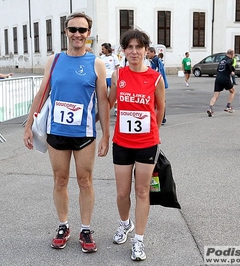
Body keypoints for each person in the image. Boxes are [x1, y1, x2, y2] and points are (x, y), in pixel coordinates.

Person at [23, 12, 110, 253]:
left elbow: (103, 101)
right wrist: (28, 125)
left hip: (84, 134)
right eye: (73, 29)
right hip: (57, 131)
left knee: (85, 181)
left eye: (82, 30)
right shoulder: (54, 60)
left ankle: (85, 228)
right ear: (66, 32)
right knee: (60, 180)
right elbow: (42, 94)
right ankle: (63, 225)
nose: (77, 34)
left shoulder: (96, 63)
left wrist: (106, 135)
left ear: (88, 34)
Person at [108, 29, 165, 261]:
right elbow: (109, 101)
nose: (133, 51)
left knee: (142, 191)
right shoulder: (117, 75)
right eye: (129, 47)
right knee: (122, 193)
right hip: (122, 142)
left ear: (145, 50)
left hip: (146, 144)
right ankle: (125, 223)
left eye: (138, 47)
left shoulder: (155, 78)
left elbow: (160, 107)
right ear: (124, 50)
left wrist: (154, 133)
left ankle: (139, 240)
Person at [207, 49, 236, 117]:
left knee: (215, 96)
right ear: (232, 54)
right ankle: (228, 106)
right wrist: (231, 71)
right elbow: (228, 64)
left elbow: (218, 69)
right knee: (233, 91)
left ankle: (210, 108)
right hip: (225, 79)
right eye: (234, 54)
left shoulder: (222, 60)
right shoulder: (230, 60)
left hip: (218, 78)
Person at [146, 46, 168, 124]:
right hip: (156, 83)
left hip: (158, 83)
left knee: (160, 100)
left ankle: (162, 118)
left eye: (148, 53)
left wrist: (160, 83)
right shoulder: (153, 60)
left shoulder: (156, 60)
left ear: (153, 53)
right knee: (157, 100)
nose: (147, 54)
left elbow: (159, 72)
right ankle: (159, 117)